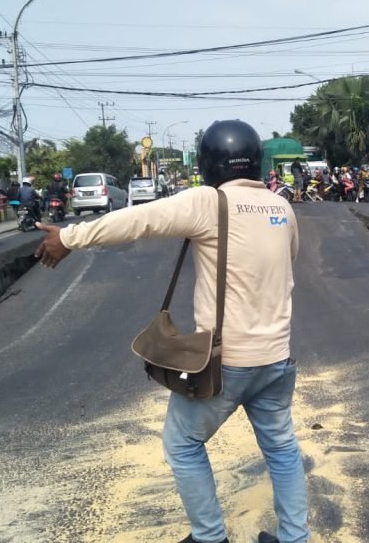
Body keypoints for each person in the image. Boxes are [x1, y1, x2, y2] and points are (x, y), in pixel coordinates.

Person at [34, 120, 307, 543]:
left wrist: (70, 236)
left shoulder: (207, 201)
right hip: (276, 359)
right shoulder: (282, 208)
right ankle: (295, 537)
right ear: (256, 161)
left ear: (210, 163)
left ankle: (210, 537)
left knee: (182, 445)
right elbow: (288, 267)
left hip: (227, 364)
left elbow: (138, 220)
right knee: (283, 450)